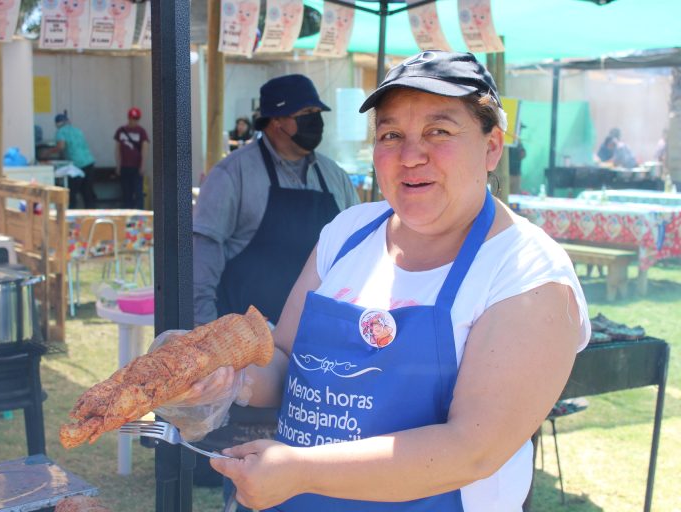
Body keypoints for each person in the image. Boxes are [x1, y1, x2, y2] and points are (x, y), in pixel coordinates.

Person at [183, 50, 590, 511]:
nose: (411, 156)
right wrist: (227, 379)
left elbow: (472, 449)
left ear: (492, 145)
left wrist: (300, 471)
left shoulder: (526, 271)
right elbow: (284, 359)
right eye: (391, 135)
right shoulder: (348, 233)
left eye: (439, 131)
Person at [190, 73, 359, 511]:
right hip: (250, 359)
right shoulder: (232, 176)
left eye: (317, 113)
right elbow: (202, 259)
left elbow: (358, 257)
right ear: (277, 120)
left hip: (317, 358)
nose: (315, 121)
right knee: (248, 481)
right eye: (306, 114)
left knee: (313, 476)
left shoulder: (334, 177)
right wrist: (208, 345)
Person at [53, 112, 96, 209]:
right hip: (89, 162)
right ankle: (91, 213)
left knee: (72, 192)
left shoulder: (61, 132)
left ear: (57, 123)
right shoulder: (77, 130)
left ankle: (72, 212)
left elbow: (61, 146)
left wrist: (48, 152)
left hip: (76, 165)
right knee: (87, 192)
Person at [114, 107, 150, 209]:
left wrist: (143, 166)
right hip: (124, 166)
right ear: (128, 118)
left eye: (136, 118)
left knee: (138, 192)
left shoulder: (141, 131)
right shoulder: (121, 131)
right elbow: (117, 149)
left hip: (136, 167)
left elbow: (145, 149)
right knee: (126, 193)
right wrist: (118, 165)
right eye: (132, 118)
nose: (134, 120)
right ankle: (127, 213)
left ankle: (140, 214)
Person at [508, 124, 527, 194]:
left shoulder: (518, 142)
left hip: (516, 174)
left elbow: (522, 154)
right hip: (507, 175)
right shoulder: (508, 140)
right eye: (519, 128)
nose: (520, 131)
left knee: (514, 197)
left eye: (520, 129)